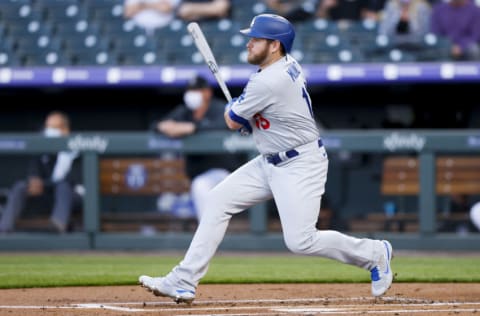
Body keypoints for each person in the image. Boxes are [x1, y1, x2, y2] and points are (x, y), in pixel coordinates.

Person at [139, 14, 393, 304]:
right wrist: (252, 118)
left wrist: (237, 110)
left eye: (256, 39)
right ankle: (183, 280)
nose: (249, 43)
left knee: (300, 241)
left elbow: (232, 121)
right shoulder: (285, 66)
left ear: (275, 45)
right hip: (271, 159)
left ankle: (375, 254)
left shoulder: (269, 81)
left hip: (299, 164)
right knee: (217, 200)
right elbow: (263, 115)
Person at [152, 74, 245, 220]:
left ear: (207, 92)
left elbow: (223, 126)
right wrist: (167, 127)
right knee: (200, 186)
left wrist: (192, 128)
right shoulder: (184, 111)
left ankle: (207, 234)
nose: (192, 94)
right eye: (190, 90)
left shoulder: (219, 108)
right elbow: (158, 125)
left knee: (200, 186)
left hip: (225, 173)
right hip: (197, 174)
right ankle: (210, 234)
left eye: (197, 90)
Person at [0, 111, 82, 234]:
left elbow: (71, 181)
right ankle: (4, 229)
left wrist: (43, 184)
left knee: (63, 187)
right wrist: (34, 181)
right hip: (47, 196)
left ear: (65, 130)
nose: (49, 131)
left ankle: (58, 226)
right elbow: (34, 173)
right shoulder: (43, 150)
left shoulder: (76, 150)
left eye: (54, 127)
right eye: (48, 127)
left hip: (72, 197)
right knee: (21, 186)